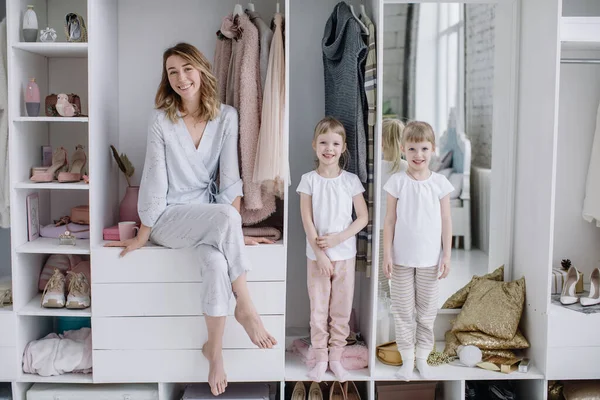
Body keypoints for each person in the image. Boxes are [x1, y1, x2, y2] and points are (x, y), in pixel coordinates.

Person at [105, 42, 276, 396]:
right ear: (167, 80)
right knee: (224, 219)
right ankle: (245, 304)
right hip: (168, 220)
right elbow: (153, 180)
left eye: (187, 69)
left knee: (216, 264)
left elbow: (230, 180)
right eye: (172, 72)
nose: (181, 78)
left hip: (208, 218)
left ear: (201, 70)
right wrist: (144, 233)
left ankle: (214, 351)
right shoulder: (161, 120)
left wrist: (235, 232)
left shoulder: (226, 116)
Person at [297, 117, 368, 382]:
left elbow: (362, 217)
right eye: (324, 142)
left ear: (343, 147)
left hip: (344, 256)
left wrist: (338, 239)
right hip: (317, 258)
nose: (329, 148)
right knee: (318, 310)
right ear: (315, 145)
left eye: (335, 143)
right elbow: (306, 219)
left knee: (340, 309)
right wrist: (319, 253)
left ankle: (336, 358)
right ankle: (320, 359)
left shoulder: (350, 181)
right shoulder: (308, 181)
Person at [382, 121, 453, 381]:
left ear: (433, 149)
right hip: (400, 260)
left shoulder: (440, 183)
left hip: (429, 261)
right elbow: (389, 220)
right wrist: (387, 254)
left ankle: (422, 358)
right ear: (402, 149)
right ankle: (407, 360)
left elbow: (446, 221)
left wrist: (447, 255)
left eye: (424, 148)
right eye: (412, 149)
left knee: (426, 313)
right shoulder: (396, 181)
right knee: (402, 312)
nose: (418, 155)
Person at [378, 118, 408, 298]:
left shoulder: (376, 168)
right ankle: (398, 301)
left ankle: (386, 301)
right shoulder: (406, 168)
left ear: (382, 141)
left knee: (382, 270)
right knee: (398, 268)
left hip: (381, 227)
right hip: (400, 227)